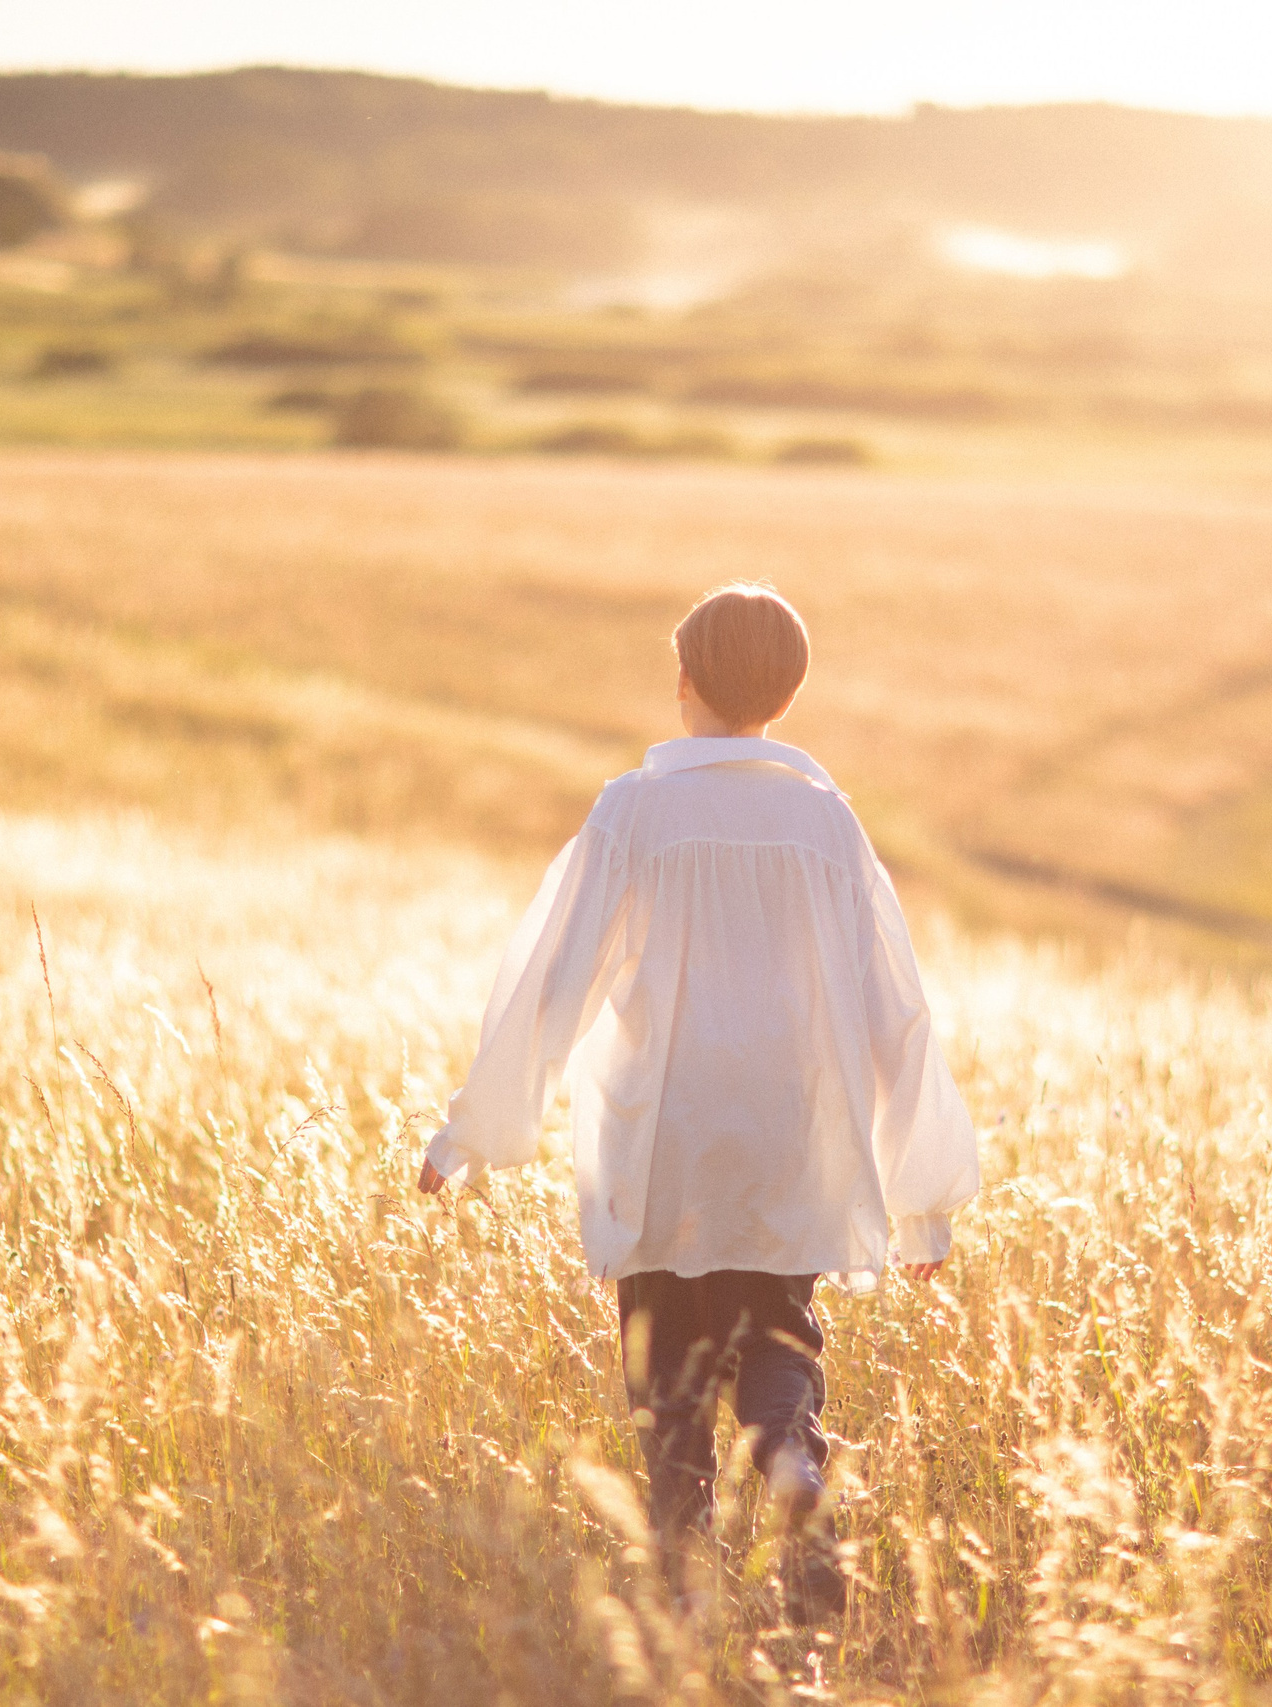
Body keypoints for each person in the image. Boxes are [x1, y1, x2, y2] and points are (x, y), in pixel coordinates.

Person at [416, 582, 981, 1623]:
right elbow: (892, 1004)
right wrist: (923, 1196)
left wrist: (471, 1132)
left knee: (667, 1372)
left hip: (662, 1137)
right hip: (791, 1135)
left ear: (682, 684)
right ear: (788, 696)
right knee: (775, 1335)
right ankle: (794, 1475)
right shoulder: (826, 824)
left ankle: (683, 1597)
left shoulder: (633, 809)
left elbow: (553, 979)